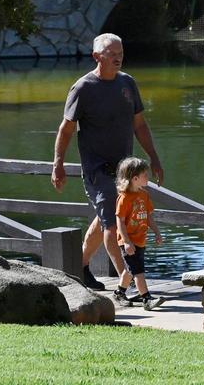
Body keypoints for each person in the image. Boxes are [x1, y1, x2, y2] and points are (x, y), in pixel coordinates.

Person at [51, 33, 165, 290]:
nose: (118, 58)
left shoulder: (127, 83)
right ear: (96, 57)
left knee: (105, 219)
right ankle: (131, 282)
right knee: (113, 226)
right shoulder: (83, 88)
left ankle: (79, 266)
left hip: (125, 171)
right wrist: (58, 164)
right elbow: (66, 129)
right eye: (112, 54)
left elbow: (140, 124)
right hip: (97, 170)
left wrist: (154, 158)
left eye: (121, 53)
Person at [113, 157, 165, 310]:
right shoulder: (124, 199)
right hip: (128, 241)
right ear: (135, 178)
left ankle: (119, 293)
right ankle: (147, 299)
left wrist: (157, 232)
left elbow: (148, 216)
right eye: (145, 175)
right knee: (138, 271)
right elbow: (120, 221)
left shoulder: (144, 195)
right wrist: (127, 241)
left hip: (140, 239)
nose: (148, 177)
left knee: (130, 270)